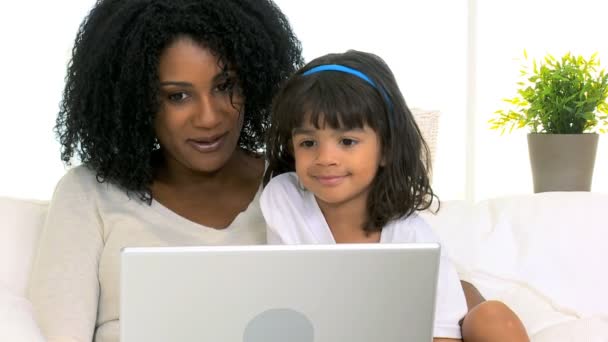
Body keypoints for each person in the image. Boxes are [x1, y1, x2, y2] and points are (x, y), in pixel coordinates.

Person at [28, 0, 303, 341]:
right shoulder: (87, 194)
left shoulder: (299, 183)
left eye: (225, 86)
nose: (209, 117)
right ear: (136, 101)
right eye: (177, 96)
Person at [261, 50, 529, 341]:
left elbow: (442, 335)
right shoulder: (284, 198)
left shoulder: (414, 238)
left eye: (347, 141)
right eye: (308, 142)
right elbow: (288, 304)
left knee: (493, 319)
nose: (325, 158)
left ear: (386, 149)